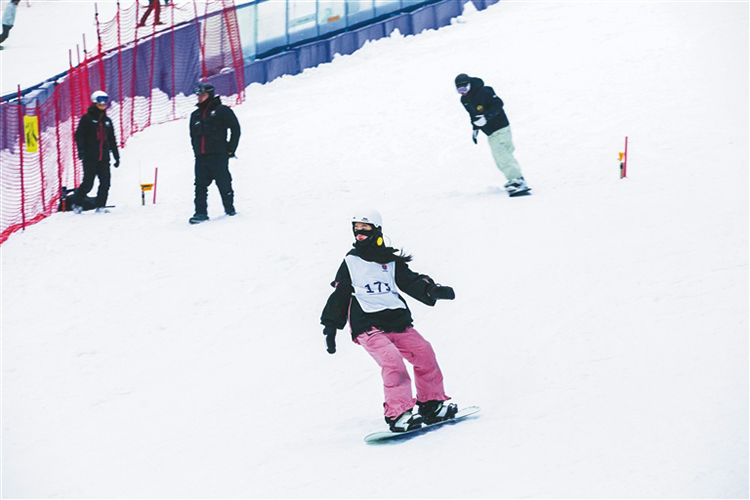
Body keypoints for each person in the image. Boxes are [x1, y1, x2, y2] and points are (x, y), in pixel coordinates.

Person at [320, 209, 458, 432]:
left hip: (396, 320)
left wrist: (432, 290)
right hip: (367, 323)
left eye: (365, 229)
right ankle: (399, 414)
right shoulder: (351, 261)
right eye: (356, 229)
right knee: (392, 361)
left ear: (377, 231)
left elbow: (410, 280)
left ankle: (431, 405)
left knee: (424, 353)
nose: (360, 234)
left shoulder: (390, 261)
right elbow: (341, 294)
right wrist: (330, 325)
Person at [455, 73, 531, 197]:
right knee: (505, 155)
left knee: (501, 156)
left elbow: (498, 104)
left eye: (464, 89)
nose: (463, 92)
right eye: (459, 90)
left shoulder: (484, 91)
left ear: (469, 85)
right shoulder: (465, 100)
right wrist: (475, 128)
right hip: (491, 132)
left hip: (500, 127)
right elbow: (473, 116)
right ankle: (517, 178)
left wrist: (486, 117)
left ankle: (516, 181)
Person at [188, 83, 241, 224]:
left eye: (203, 95)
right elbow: (192, 136)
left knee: (223, 182)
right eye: (198, 95)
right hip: (201, 157)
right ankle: (200, 213)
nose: (200, 98)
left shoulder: (221, 111)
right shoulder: (195, 115)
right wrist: (196, 151)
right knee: (200, 186)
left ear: (210, 95)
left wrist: (230, 148)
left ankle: (229, 209)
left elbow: (235, 128)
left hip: (218, 155)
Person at [73, 91, 120, 213]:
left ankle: (100, 206)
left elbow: (112, 139)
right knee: (88, 183)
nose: (103, 105)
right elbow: (79, 135)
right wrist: (81, 150)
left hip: (104, 157)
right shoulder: (87, 119)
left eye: (104, 103)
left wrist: (116, 156)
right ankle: (77, 204)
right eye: (100, 103)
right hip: (90, 157)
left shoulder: (107, 121)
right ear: (95, 103)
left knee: (105, 183)